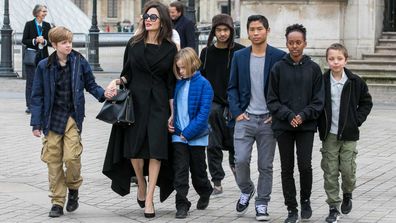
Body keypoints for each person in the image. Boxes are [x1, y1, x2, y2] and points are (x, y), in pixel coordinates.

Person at [102, 1, 177, 218]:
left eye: (153, 17)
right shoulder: (133, 43)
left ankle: (150, 198)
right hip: (136, 102)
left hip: (160, 104)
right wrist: (116, 82)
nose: (148, 20)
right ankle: (141, 183)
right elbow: (127, 74)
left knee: (156, 150)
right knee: (134, 149)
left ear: (162, 20)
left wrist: (173, 112)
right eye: (146, 16)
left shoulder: (170, 48)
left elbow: (171, 83)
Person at [30, 26, 107, 218]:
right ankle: (57, 202)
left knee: (72, 158)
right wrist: (36, 123)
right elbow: (37, 96)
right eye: (64, 43)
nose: (68, 46)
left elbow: (91, 84)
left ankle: (73, 188)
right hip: (51, 119)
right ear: (54, 45)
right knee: (53, 161)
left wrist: (104, 95)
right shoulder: (44, 66)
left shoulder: (79, 62)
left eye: (70, 42)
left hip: (72, 118)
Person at [227, 15, 285, 221]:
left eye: (259, 29)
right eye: (252, 29)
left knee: (265, 166)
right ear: (247, 32)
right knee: (240, 160)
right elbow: (232, 87)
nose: (255, 33)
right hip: (245, 118)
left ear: (267, 30)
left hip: (268, 121)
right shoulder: (240, 56)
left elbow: (284, 90)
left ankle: (262, 203)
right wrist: (237, 113)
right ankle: (246, 189)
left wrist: (277, 115)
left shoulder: (279, 57)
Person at [266, 24, 324, 223]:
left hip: (306, 126)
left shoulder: (314, 69)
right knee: (286, 168)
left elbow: (318, 101)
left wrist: (303, 115)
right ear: (286, 44)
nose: (295, 46)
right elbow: (272, 99)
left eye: (298, 42)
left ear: (305, 43)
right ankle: (291, 208)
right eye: (291, 43)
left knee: (305, 165)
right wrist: (288, 114)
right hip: (283, 126)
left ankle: (305, 200)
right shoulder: (278, 68)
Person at [318, 43, 373, 223]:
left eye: (339, 59)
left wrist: (356, 120)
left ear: (346, 60)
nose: (335, 62)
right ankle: (333, 206)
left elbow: (366, 102)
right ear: (327, 61)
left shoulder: (355, 81)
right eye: (332, 59)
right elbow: (317, 104)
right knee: (330, 171)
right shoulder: (322, 82)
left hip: (349, 134)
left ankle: (348, 192)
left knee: (347, 171)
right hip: (329, 135)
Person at [199, 14, 245, 196]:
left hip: (235, 106)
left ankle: (238, 174)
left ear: (231, 31)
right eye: (219, 30)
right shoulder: (207, 52)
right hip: (213, 105)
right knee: (212, 145)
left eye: (226, 30)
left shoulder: (240, 52)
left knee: (237, 145)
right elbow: (201, 79)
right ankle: (216, 180)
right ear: (214, 32)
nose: (222, 33)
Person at [168, 47, 214, 219]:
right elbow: (174, 108)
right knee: (180, 171)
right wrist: (172, 121)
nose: (180, 71)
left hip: (196, 137)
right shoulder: (178, 83)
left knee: (198, 171)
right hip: (178, 136)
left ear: (193, 63)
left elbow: (203, 115)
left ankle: (205, 190)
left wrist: (188, 133)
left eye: (183, 67)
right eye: (178, 68)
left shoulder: (204, 85)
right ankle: (181, 204)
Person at [22, 4, 51, 114]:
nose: (45, 13)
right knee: (31, 81)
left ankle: (42, 104)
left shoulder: (47, 25)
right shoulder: (29, 24)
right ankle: (30, 105)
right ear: (37, 12)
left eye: (45, 11)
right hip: (32, 57)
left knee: (44, 81)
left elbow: (51, 41)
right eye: (43, 11)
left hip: (44, 57)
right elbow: (24, 40)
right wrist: (35, 41)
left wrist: (44, 41)